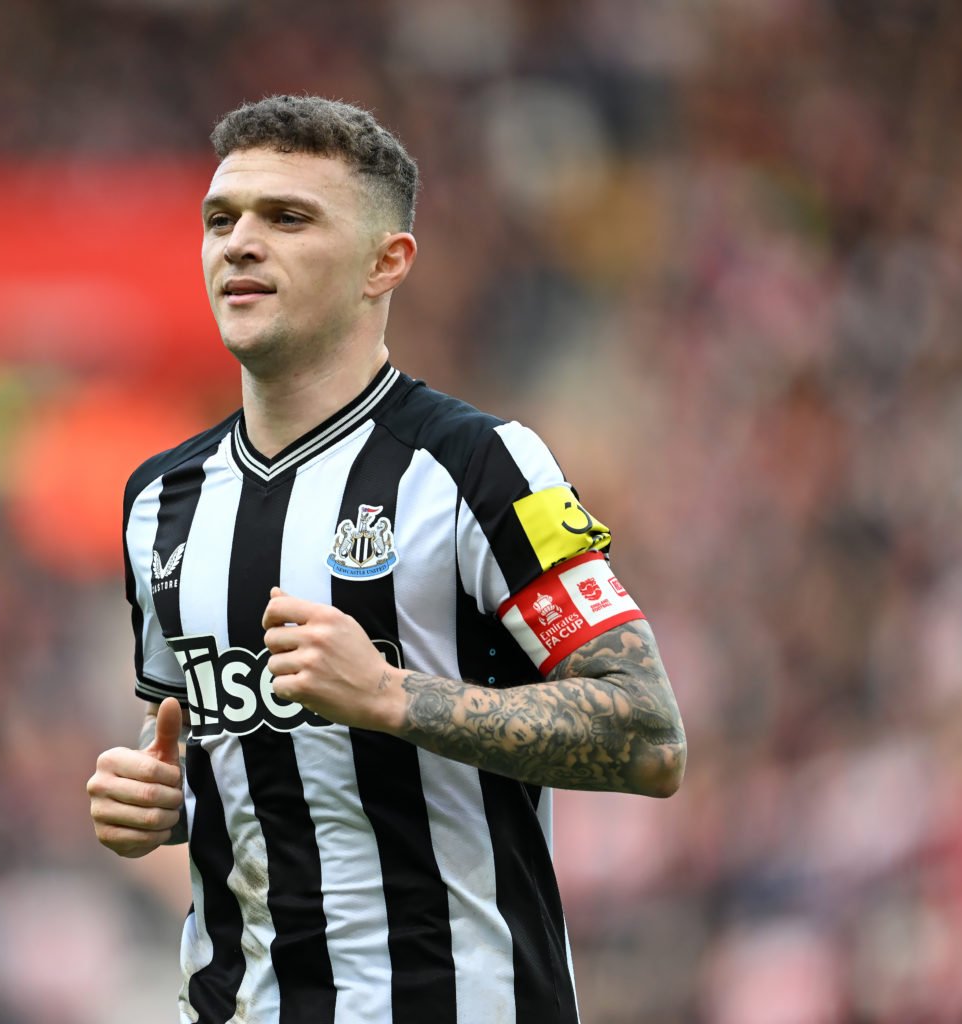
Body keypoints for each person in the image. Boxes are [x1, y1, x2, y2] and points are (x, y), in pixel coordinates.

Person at [87, 95, 686, 1024]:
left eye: (287, 217)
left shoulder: (483, 466)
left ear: (385, 263)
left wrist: (393, 696)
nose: (240, 242)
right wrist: (153, 797)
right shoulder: (160, 501)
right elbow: (219, 751)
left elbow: (648, 734)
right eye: (221, 218)